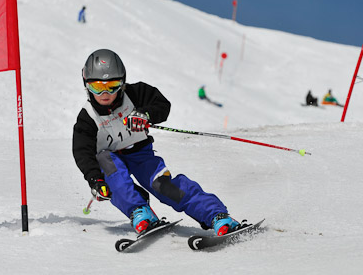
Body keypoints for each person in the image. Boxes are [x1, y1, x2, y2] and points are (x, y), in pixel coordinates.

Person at [72, 49, 243, 236]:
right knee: (114, 176)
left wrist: (145, 115)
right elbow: (82, 152)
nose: (105, 93)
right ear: (86, 85)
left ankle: (216, 215)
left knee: (164, 187)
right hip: (110, 160)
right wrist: (95, 179)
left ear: (122, 83)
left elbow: (163, 106)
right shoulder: (88, 117)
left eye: (112, 85)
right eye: (97, 87)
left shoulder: (135, 94)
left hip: (141, 155)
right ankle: (139, 211)